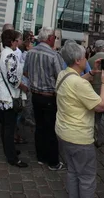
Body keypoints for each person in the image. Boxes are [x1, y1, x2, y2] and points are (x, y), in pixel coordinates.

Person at [56, 41, 104, 197]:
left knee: (73, 171)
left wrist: (92, 72)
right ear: (78, 60)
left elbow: (76, 81)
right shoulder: (79, 83)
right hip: (79, 137)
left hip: (63, 132)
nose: (87, 58)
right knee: (87, 177)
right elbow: (101, 106)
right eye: (85, 56)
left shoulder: (63, 74)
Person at [24, 26, 65, 171]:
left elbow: (26, 72)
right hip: (49, 97)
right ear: (49, 38)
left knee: (39, 127)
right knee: (51, 129)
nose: (55, 39)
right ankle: (53, 162)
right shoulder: (54, 55)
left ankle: (41, 157)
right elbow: (61, 77)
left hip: (35, 95)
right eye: (54, 37)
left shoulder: (31, 52)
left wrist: (36, 81)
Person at [0, 30, 29, 167]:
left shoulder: (2, 53)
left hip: (3, 95)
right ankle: (12, 157)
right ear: (11, 42)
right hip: (9, 97)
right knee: (9, 127)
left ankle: (9, 151)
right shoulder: (10, 55)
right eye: (17, 40)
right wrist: (24, 87)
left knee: (6, 126)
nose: (18, 43)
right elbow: (12, 79)